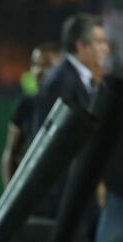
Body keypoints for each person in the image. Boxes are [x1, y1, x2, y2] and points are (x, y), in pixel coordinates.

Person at [32, 14, 109, 219]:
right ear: (81, 46)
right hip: (65, 195)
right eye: (99, 42)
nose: (105, 48)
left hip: (77, 192)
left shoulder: (81, 79)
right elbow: (63, 142)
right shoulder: (62, 81)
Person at [0, 43, 61, 187]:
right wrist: (11, 198)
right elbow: (11, 153)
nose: (39, 71)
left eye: (47, 65)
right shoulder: (26, 104)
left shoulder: (73, 102)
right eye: (35, 65)